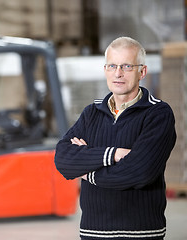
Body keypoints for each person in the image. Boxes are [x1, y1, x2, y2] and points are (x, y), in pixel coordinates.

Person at [54, 36, 176, 240]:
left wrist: (87, 172)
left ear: (142, 72)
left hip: (141, 234)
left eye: (127, 66)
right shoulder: (91, 113)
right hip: (93, 233)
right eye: (112, 66)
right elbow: (63, 158)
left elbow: (140, 172)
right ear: (105, 70)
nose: (118, 73)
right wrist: (115, 154)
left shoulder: (158, 114)